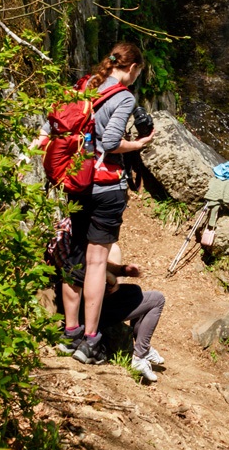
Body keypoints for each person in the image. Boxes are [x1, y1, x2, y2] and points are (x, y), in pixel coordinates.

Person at [61, 42, 155, 365]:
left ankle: (69, 334)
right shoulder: (124, 97)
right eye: (138, 72)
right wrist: (139, 144)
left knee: (75, 258)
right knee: (96, 263)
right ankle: (90, 341)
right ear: (132, 68)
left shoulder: (88, 85)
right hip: (105, 187)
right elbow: (112, 142)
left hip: (78, 183)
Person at [55, 236, 167, 383]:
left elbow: (89, 262)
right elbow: (83, 266)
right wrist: (110, 278)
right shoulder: (71, 235)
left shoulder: (65, 236)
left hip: (74, 307)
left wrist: (123, 270)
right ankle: (140, 354)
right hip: (89, 308)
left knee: (135, 291)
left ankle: (143, 350)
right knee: (156, 299)